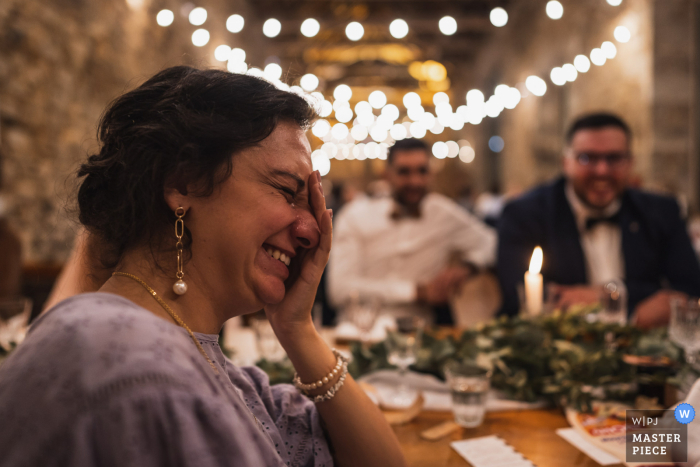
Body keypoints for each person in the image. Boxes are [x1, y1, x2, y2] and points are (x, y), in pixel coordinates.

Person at [0, 66, 405, 467]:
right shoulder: (132, 362)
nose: (311, 231)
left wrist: (297, 330)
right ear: (185, 184)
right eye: (287, 192)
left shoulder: (210, 366)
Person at [497, 112, 700, 327]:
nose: (602, 170)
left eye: (614, 158)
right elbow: (517, 295)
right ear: (566, 163)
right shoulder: (524, 214)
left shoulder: (662, 211)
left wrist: (604, 294)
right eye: (587, 158)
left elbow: (690, 291)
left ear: (630, 163)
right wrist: (640, 306)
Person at [327, 138, 497, 323]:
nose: (415, 181)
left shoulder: (442, 213)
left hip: (422, 334)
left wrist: (468, 267)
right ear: (387, 175)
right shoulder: (354, 217)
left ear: (431, 173)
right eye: (404, 172)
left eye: (422, 171)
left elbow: (491, 242)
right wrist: (416, 292)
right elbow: (339, 289)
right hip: (357, 332)